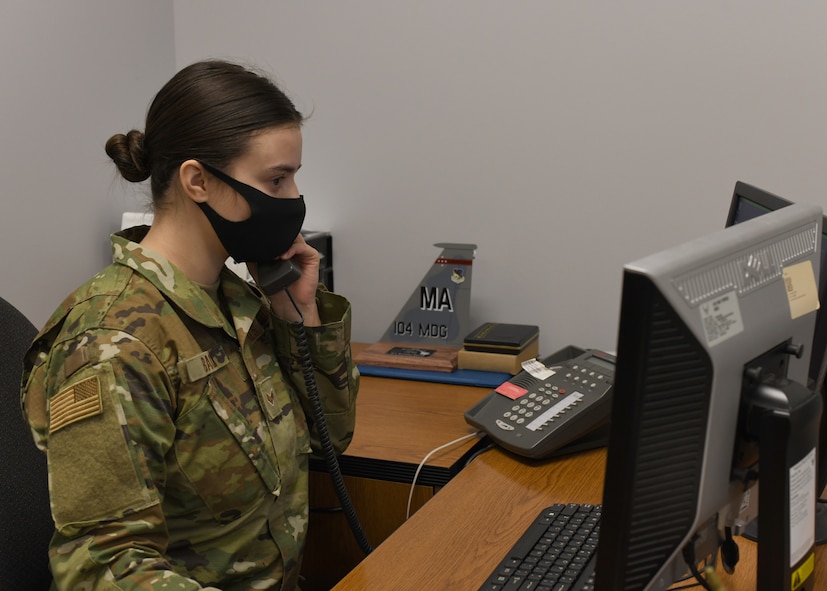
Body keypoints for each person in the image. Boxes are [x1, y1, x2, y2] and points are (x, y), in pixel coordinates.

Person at [21, 60, 359, 590]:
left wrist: (301, 316)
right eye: (276, 178)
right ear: (198, 181)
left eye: (293, 176)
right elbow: (103, 569)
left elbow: (329, 443)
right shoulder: (114, 343)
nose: (294, 198)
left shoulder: (239, 303)